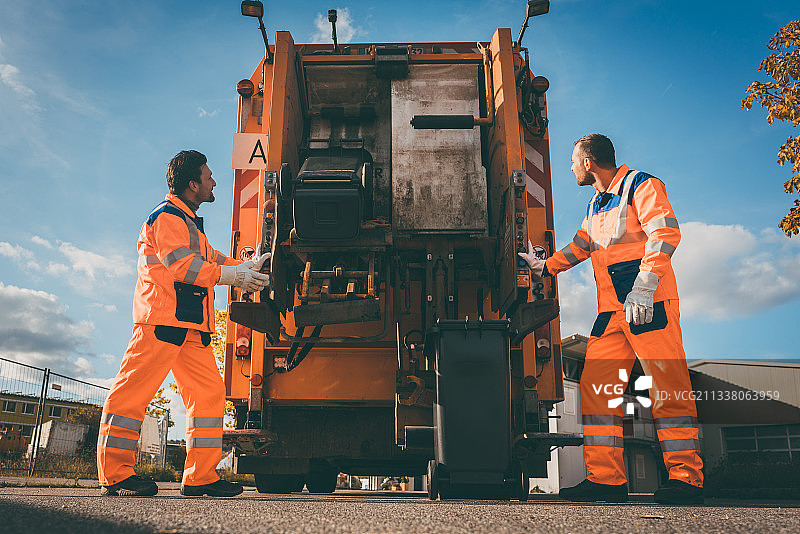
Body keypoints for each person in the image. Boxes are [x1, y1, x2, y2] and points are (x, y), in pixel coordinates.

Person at [519, 134, 703, 505]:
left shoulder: (642, 185)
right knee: (596, 386)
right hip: (613, 313)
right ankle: (606, 480)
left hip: (649, 305)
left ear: (588, 163)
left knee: (667, 386)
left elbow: (665, 233)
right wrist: (545, 267)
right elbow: (581, 247)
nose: (570, 167)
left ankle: (686, 478)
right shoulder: (595, 207)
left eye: (573, 161)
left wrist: (646, 285)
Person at [97, 150, 270, 497]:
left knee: (209, 396)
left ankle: (200, 477)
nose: (214, 182)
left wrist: (246, 267)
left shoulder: (188, 223)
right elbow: (183, 267)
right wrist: (231, 275)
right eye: (208, 177)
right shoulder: (166, 218)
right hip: (160, 322)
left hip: (189, 327)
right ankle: (115, 474)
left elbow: (211, 258)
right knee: (131, 396)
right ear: (193, 185)